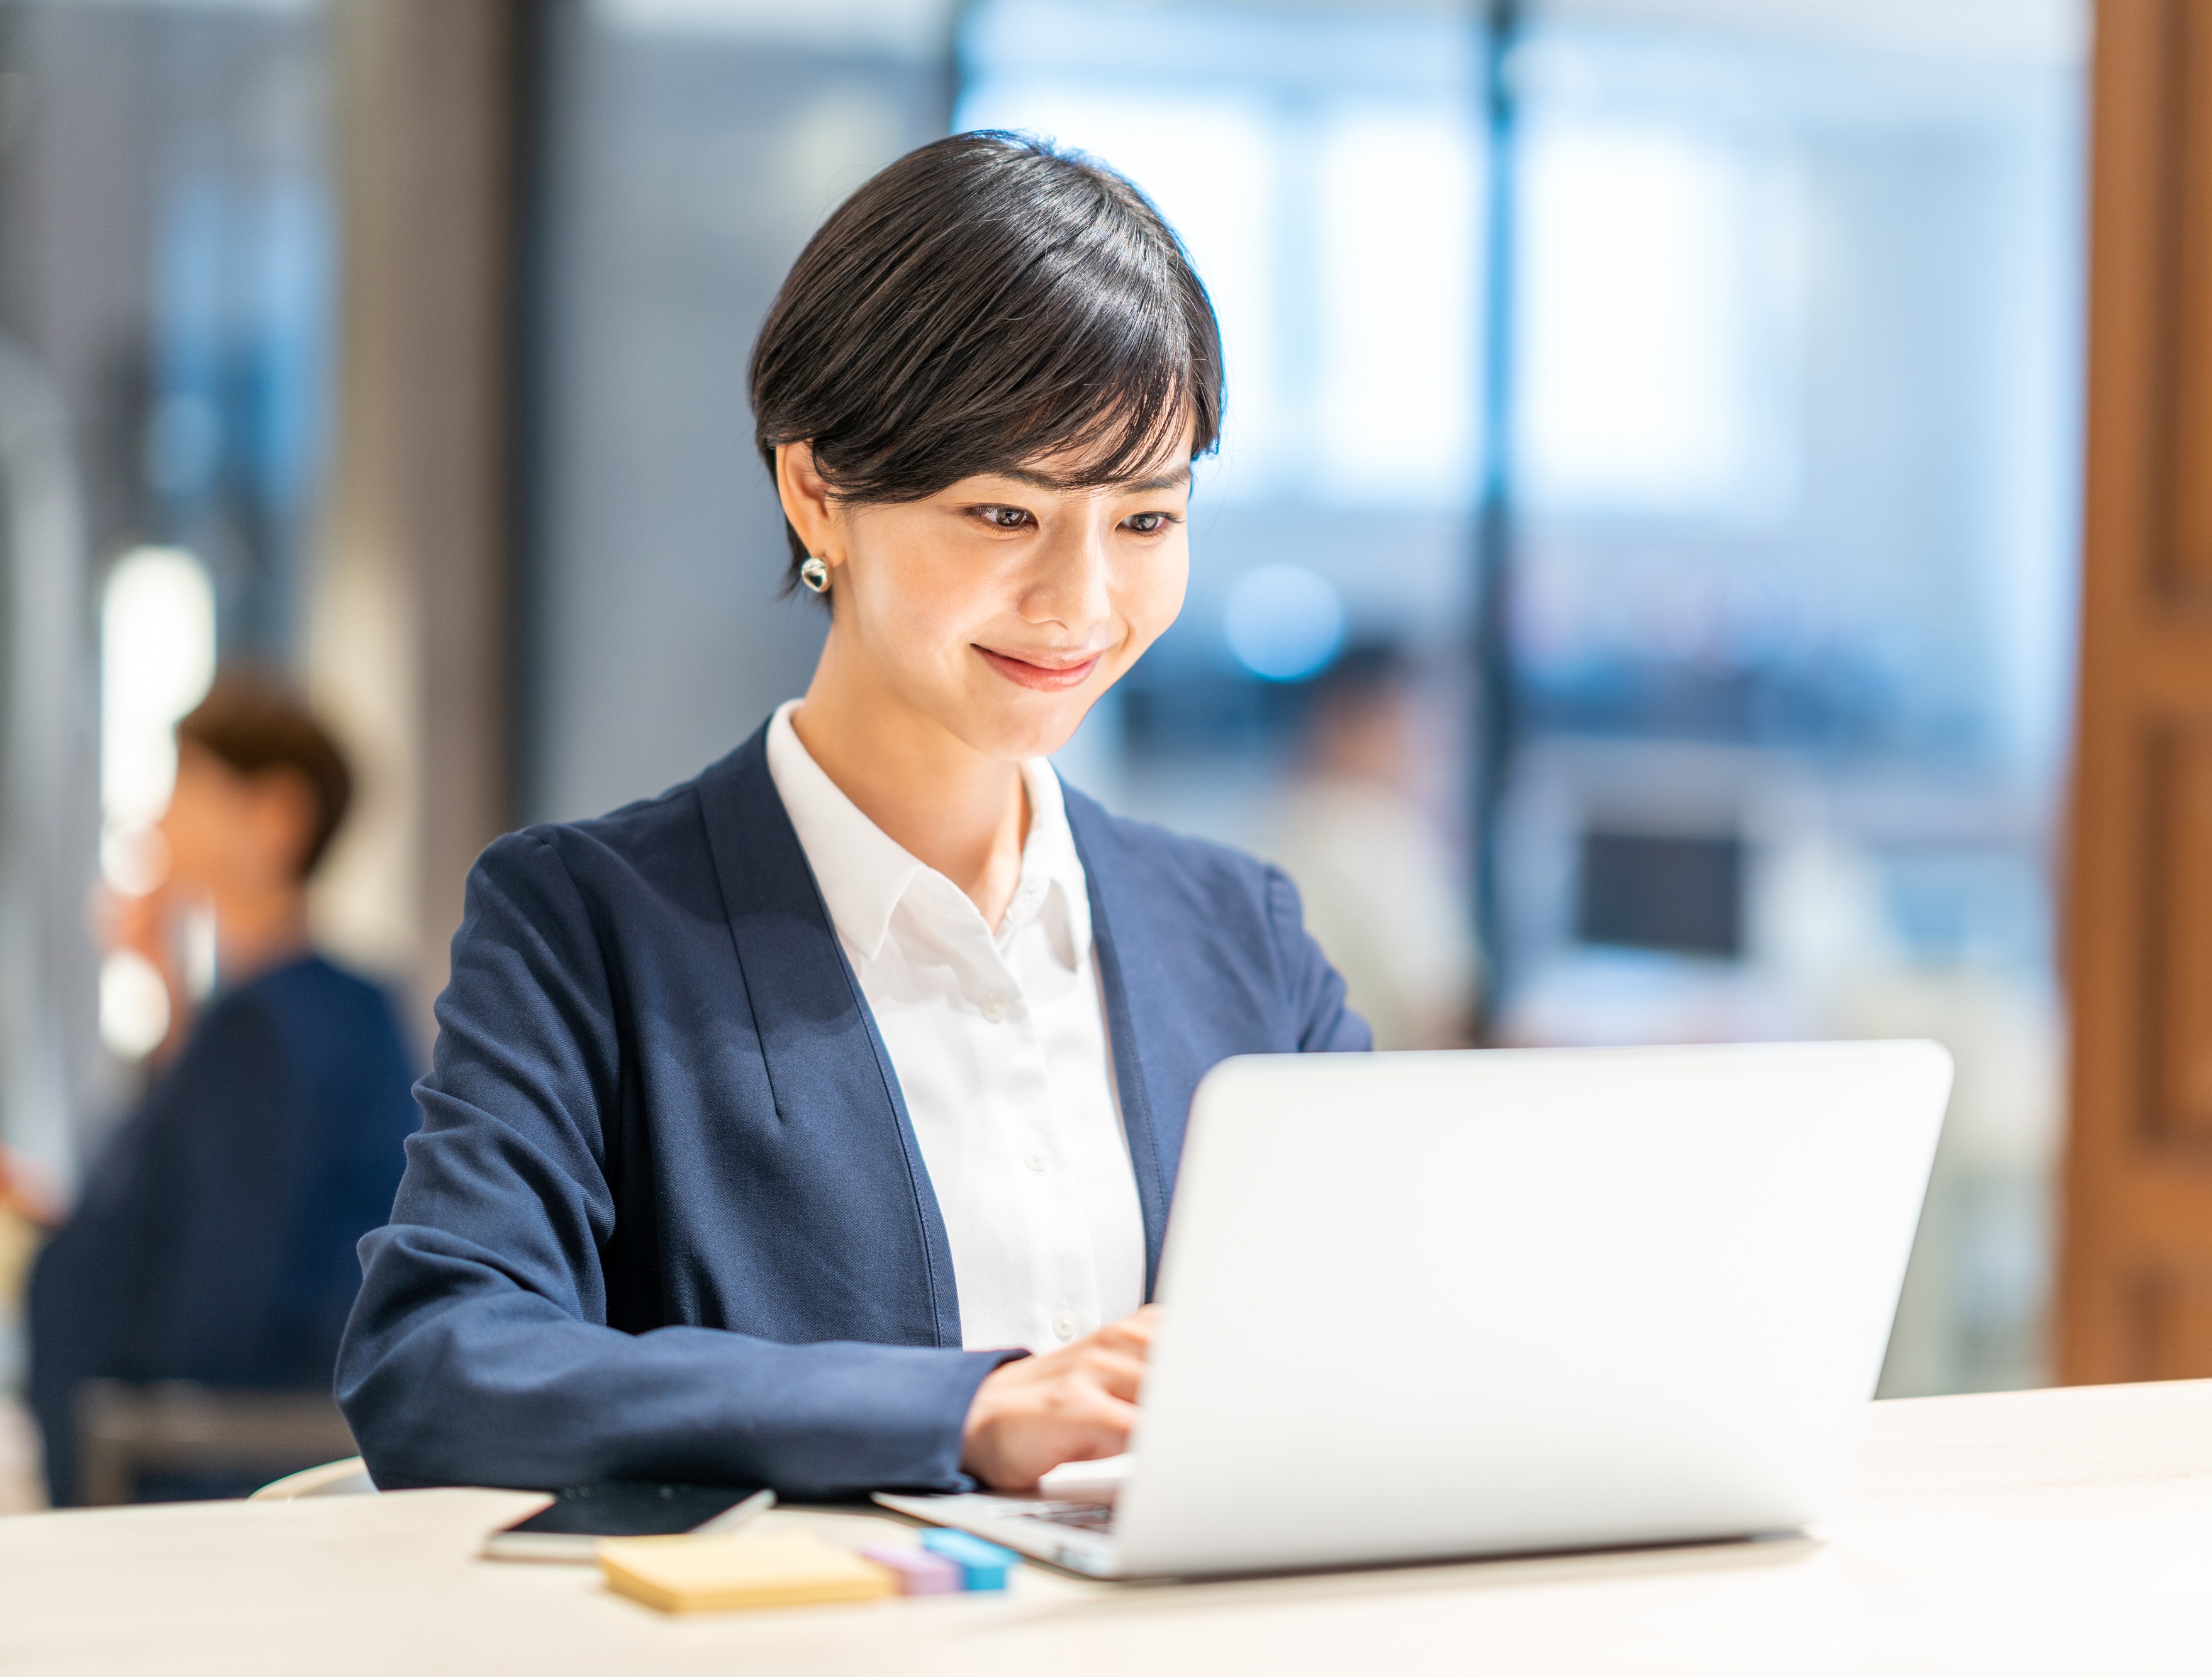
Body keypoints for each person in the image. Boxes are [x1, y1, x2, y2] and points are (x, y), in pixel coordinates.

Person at [337, 132, 1369, 1500]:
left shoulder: (1243, 937)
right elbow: (440, 1366)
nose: (1080, 605)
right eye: (1004, 513)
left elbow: (1394, 1342)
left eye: (1143, 521)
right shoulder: (587, 926)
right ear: (814, 485)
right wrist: (962, 1411)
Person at [28, 671, 416, 1505]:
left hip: (223, 1462)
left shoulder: (263, 1026)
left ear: (275, 815)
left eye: (187, 788)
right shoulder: (341, 1006)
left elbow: (211, 1305)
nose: (161, 820)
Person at [1268, 645, 1479, 1050]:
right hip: (1386, 1087)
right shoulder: (1374, 827)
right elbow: (1445, 1006)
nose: (1435, 751)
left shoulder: (1290, 818)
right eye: (1423, 725)